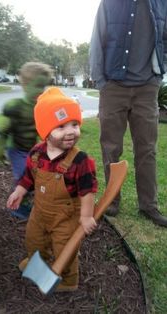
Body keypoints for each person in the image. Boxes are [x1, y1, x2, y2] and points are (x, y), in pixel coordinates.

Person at [6, 87, 98, 292]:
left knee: (65, 248)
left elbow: (88, 190)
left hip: (66, 217)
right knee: (33, 239)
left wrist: (85, 216)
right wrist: (20, 190)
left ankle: (68, 280)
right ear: (46, 131)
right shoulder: (37, 154)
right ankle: (38, 263)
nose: (71, 131)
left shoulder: (80, 160)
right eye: (61, 126)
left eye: (75, 124)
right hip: (40, 212)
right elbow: (29, 177)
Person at [89, 0, 167, 227]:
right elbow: (97, 39)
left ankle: (149, 206)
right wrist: (101, 81)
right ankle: (112, 201)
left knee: (147, 149)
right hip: (114, 85)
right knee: (111, 148)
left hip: (147, 88)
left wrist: (158, 74)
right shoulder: (110, 2)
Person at [0, 62, 53, 220]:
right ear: (26, 84)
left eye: (44, 86)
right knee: (23, 175)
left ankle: (29, 200)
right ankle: (18, 207)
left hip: (32, 149)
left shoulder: (40, 107)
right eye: (38, 85)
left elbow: (44, 130)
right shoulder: (14, 107)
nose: (41, 90)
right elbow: (3, 130)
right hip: (16, 149)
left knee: (39, 174)